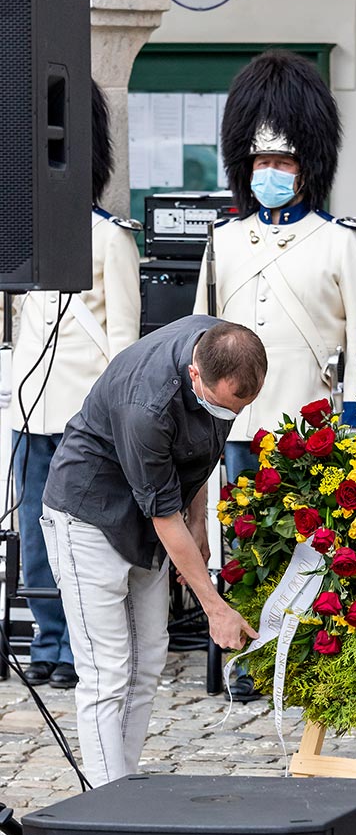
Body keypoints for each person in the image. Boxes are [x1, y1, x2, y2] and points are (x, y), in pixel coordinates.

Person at [192, 50, 356, 701]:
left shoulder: (339, 242)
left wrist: (355, 425)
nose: (270, 172)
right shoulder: (226, 239)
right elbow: (199, 335)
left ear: (308, 166)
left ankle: (302, 661)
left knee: (307, 555)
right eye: (260, 161)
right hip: (236, 429)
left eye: (283, 161)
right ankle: (245, 661)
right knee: (240, 552)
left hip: (307, 429)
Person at [40, 316, 265, 787]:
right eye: (220, 406)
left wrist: (200, 520)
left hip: (153, 513)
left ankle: (124, 782)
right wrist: (214, 606)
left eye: (236, 409)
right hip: (90, 513)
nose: (228, 418)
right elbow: (164, 515)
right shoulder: (147, 404)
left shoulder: (222, 346)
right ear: (194, 375)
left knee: (148, 662)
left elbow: (202, 450)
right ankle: (108, 803)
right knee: (108, 669)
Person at [0, 80, 141, 689]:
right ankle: (49, 642)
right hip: (33, 410)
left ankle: (82, 645)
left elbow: (124, 343)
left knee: (83, 539)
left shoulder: (111, 236)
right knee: (34, 534)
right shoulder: (23, 235)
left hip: (87, 417)